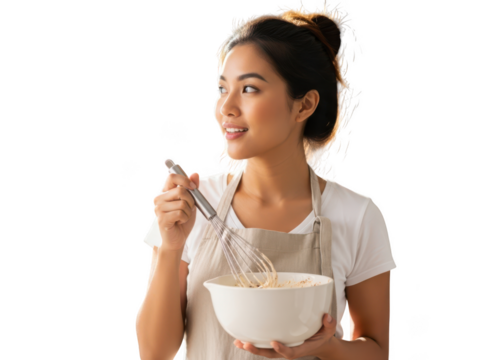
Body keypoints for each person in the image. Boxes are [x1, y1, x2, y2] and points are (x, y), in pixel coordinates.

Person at [135, 2, 397, 359]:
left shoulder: (357, 215)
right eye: (222, 88)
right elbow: (155, 351)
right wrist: (170, 247)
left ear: (304, 106)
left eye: (250, 89)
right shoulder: (195, 204)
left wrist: (329, 347)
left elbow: (377, 349)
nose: (225, 107)